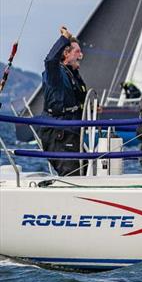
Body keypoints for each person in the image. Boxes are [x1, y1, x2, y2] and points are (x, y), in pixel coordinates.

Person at [40, 26, 87, 176]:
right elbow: (50, 61)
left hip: (72, 130)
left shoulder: (72, 74)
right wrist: (64, 39)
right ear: (66, 54)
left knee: (85, 168)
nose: (81, 55)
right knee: (72, 172)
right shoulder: (56, 74)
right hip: (59, 132)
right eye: (77, 52)